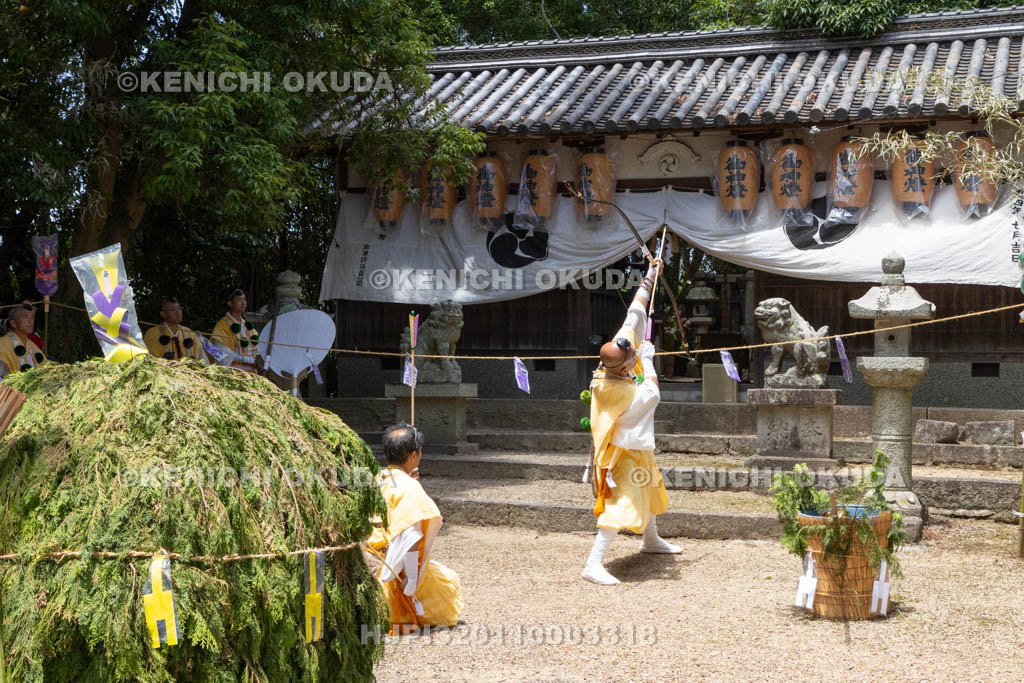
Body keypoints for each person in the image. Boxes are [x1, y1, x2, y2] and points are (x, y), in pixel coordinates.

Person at [582, 258, 681, 586]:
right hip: (619, 454)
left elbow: (635, 314)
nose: (635, 359)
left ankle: (651, 540)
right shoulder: (612, 389)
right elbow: (650, 395)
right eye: (632, 362)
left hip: (635, 446)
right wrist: (649, 363)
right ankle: (593, 563)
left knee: (650, 490)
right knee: (622, 503)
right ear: (623, 368)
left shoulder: (617, 356)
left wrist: (652, 273)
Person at [365, 424, 463, 633]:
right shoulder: (410, 488)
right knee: (448, 585)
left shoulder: (375, 479)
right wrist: (410, 580)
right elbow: (410, 537)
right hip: (392, 571)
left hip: (366, 559)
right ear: (413, 455)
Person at [143, 297, 208, 363]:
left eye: (179, 308)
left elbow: (202, 359)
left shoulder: (189, 333)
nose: (178, 312)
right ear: (163, 314)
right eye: (173, 310)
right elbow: (147, 361)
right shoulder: (152, 334)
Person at [210, 289, 261, 372]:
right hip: (233, 373)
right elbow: (219, 353)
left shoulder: (249, 327)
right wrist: (245, 359)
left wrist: (259, 361)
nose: (243, 302)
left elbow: (257, 350)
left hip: (251, 374)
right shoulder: (222, 326)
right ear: (230, 303)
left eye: (244, 299)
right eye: (239, 300)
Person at [0, 303, 46, 379]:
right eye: (25, 317)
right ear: (13, 323)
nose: (30, 321)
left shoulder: (32, 345)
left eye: (32, 317)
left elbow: (47, 366)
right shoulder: (2, 344)